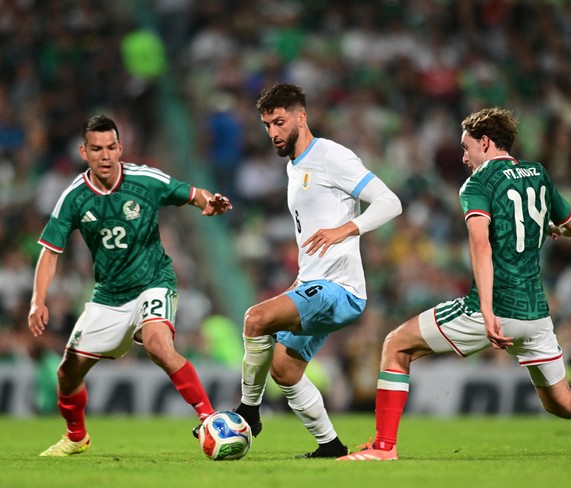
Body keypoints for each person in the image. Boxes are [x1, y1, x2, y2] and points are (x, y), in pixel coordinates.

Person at [338, 107, 571, 461]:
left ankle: (384, 447)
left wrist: (487, 311)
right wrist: (550, 227)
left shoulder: (477, 184)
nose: (463, 157)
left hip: (494, 307)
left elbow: (481, 245)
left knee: (396, 345)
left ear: (486, 142)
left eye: (466, 147)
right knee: (561, 400)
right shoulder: (538, 173)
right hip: (536, 313)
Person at [196, 82, 401, 458]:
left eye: (279, 122)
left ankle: (248, 410)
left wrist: (345, 229)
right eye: (266, 125)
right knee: (284, 371)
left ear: (301, 117)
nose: (273, 132)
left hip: (340, 289)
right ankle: (331, 446)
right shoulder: (295, 167)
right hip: (317, 284)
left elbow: (390, 202)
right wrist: (301, 279)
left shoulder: (331, 156)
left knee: (255, 319)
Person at [28, 115, 233, 457]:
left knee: (157, 344)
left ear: (120, 148)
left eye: (111, 147)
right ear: (84, 152)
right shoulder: (74, 197)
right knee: (67, 374)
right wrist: (38, 300)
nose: (105, 155)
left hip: (154, 282)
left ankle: (209, 419)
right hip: (108, 296)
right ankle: (76, 438)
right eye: (96, 149)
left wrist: (210, 204)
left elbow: (193, 193)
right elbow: (49, 252)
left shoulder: (145, 180)